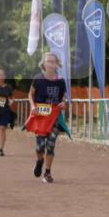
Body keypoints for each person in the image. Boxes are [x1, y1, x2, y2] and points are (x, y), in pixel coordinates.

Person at [27, 52, 68, 183]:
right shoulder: (38, 79)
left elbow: (63, 98)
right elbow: (30, 95)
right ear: (43, 64)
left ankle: (47, 173)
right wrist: (32, 106)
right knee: (40, 147)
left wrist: (64, 103)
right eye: (48, 61)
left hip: (54, 117)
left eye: (53, 61)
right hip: (40, 116)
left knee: (50, 145)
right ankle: (40, 160)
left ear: (56, 64)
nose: (50, 63)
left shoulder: (61, 81)